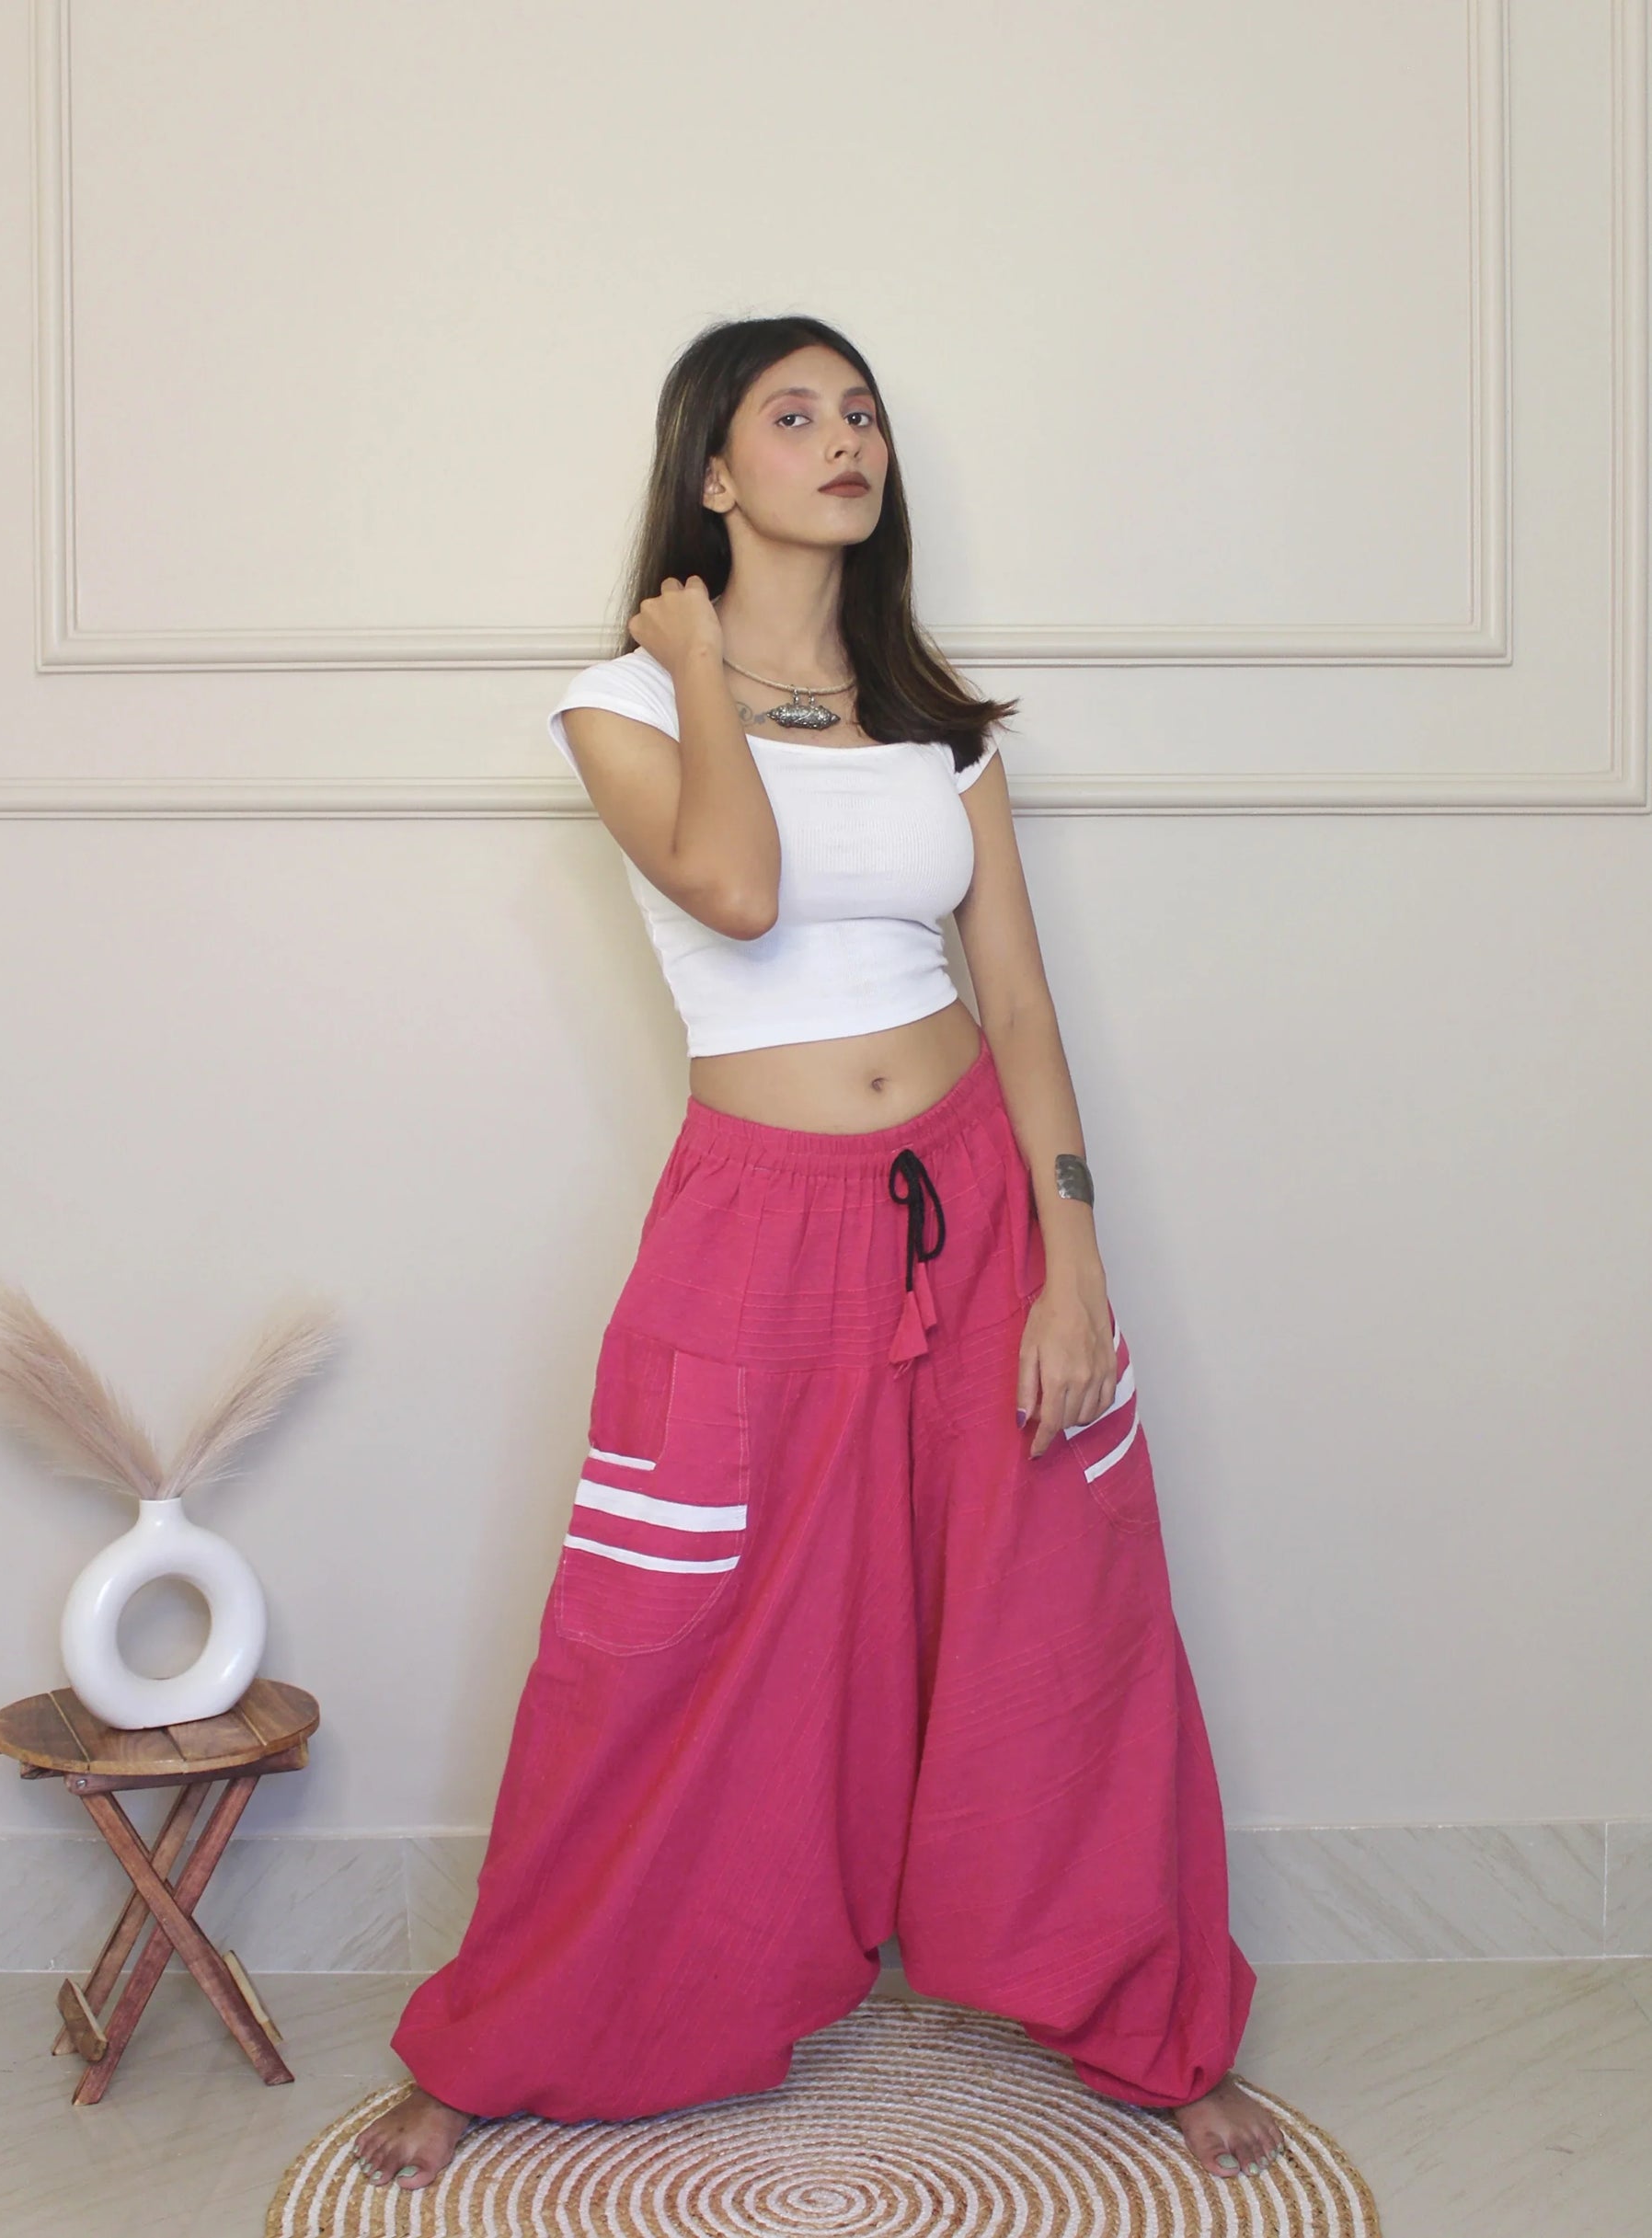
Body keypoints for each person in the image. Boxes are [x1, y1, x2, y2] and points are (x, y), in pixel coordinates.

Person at [351, 314, 1285, 2194]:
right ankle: (507, 2032)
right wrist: (698, 662)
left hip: (977, 1198)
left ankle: (1151, 2022)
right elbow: (734, 888)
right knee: (662, 1634)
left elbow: (1014, 1001)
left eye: (858, 412)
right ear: (714, 470)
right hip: (753, 1224)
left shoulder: (943, 728)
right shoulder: (616, 700)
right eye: (794, 414)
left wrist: (1074, 1264)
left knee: (1064, 1622)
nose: (842, 438)